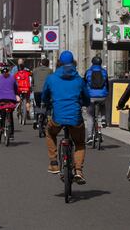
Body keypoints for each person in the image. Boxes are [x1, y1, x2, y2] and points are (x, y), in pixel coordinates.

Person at [42, 51, 90, 185]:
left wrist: (47, 102)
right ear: (73, 63)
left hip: (57, 117)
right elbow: (86, 98)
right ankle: (78, 171)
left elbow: (45, 95)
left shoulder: (51, 78)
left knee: (50, 132)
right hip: (75, 118)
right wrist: (85, 103)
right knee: (79, 143)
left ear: (59, 63)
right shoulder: (79, 79)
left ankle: (53, 163)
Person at [0, 63, 19, 138]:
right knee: (10, 115)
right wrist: (16, 93)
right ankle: (11, 134)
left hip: (0, 98)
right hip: (11, 99)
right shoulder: (12, 78)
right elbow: (16, 88)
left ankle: (0, 120)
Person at [84, 56, 108, 144]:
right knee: (103, 105)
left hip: (91, 97)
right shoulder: (104, 72)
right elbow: (107, 84)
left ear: (92, 63)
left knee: (90, 115)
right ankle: (103, 119)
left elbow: (84, 85)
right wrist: (106, 93)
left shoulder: (88, 72)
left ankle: (90, 136)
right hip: (102, 96)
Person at [32, 58, 52, 128]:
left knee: (37, 105)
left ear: (41, 63)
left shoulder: (34, 70)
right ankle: (49, 118)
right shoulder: (50, 71)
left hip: (37, 91)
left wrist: (33, 88)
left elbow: (33, 81)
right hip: (46, 91)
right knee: (48, 105)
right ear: (48, 64)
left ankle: (35, 118)